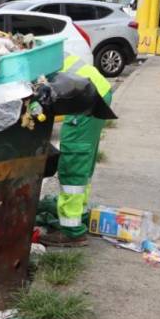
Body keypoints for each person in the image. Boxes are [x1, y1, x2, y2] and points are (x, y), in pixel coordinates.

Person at [41, 54, 114, 246]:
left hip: (83, 97)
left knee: (73, 161)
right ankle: (78, 215)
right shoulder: (38, 51)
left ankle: (72, 232)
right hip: (95, 91)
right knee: (84, 159)